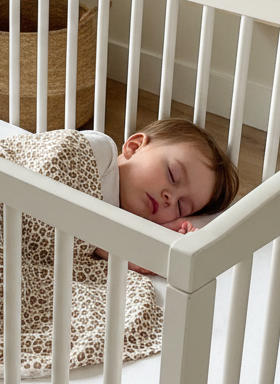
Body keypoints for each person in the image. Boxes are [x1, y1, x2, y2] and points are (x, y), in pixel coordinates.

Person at [94, 117, 240, 273]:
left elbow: (87, 235)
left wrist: (158, 234)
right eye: (172, 175)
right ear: (134, 147)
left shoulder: (119, 225)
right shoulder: (100, 154)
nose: (170, 198)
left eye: (180, 206)